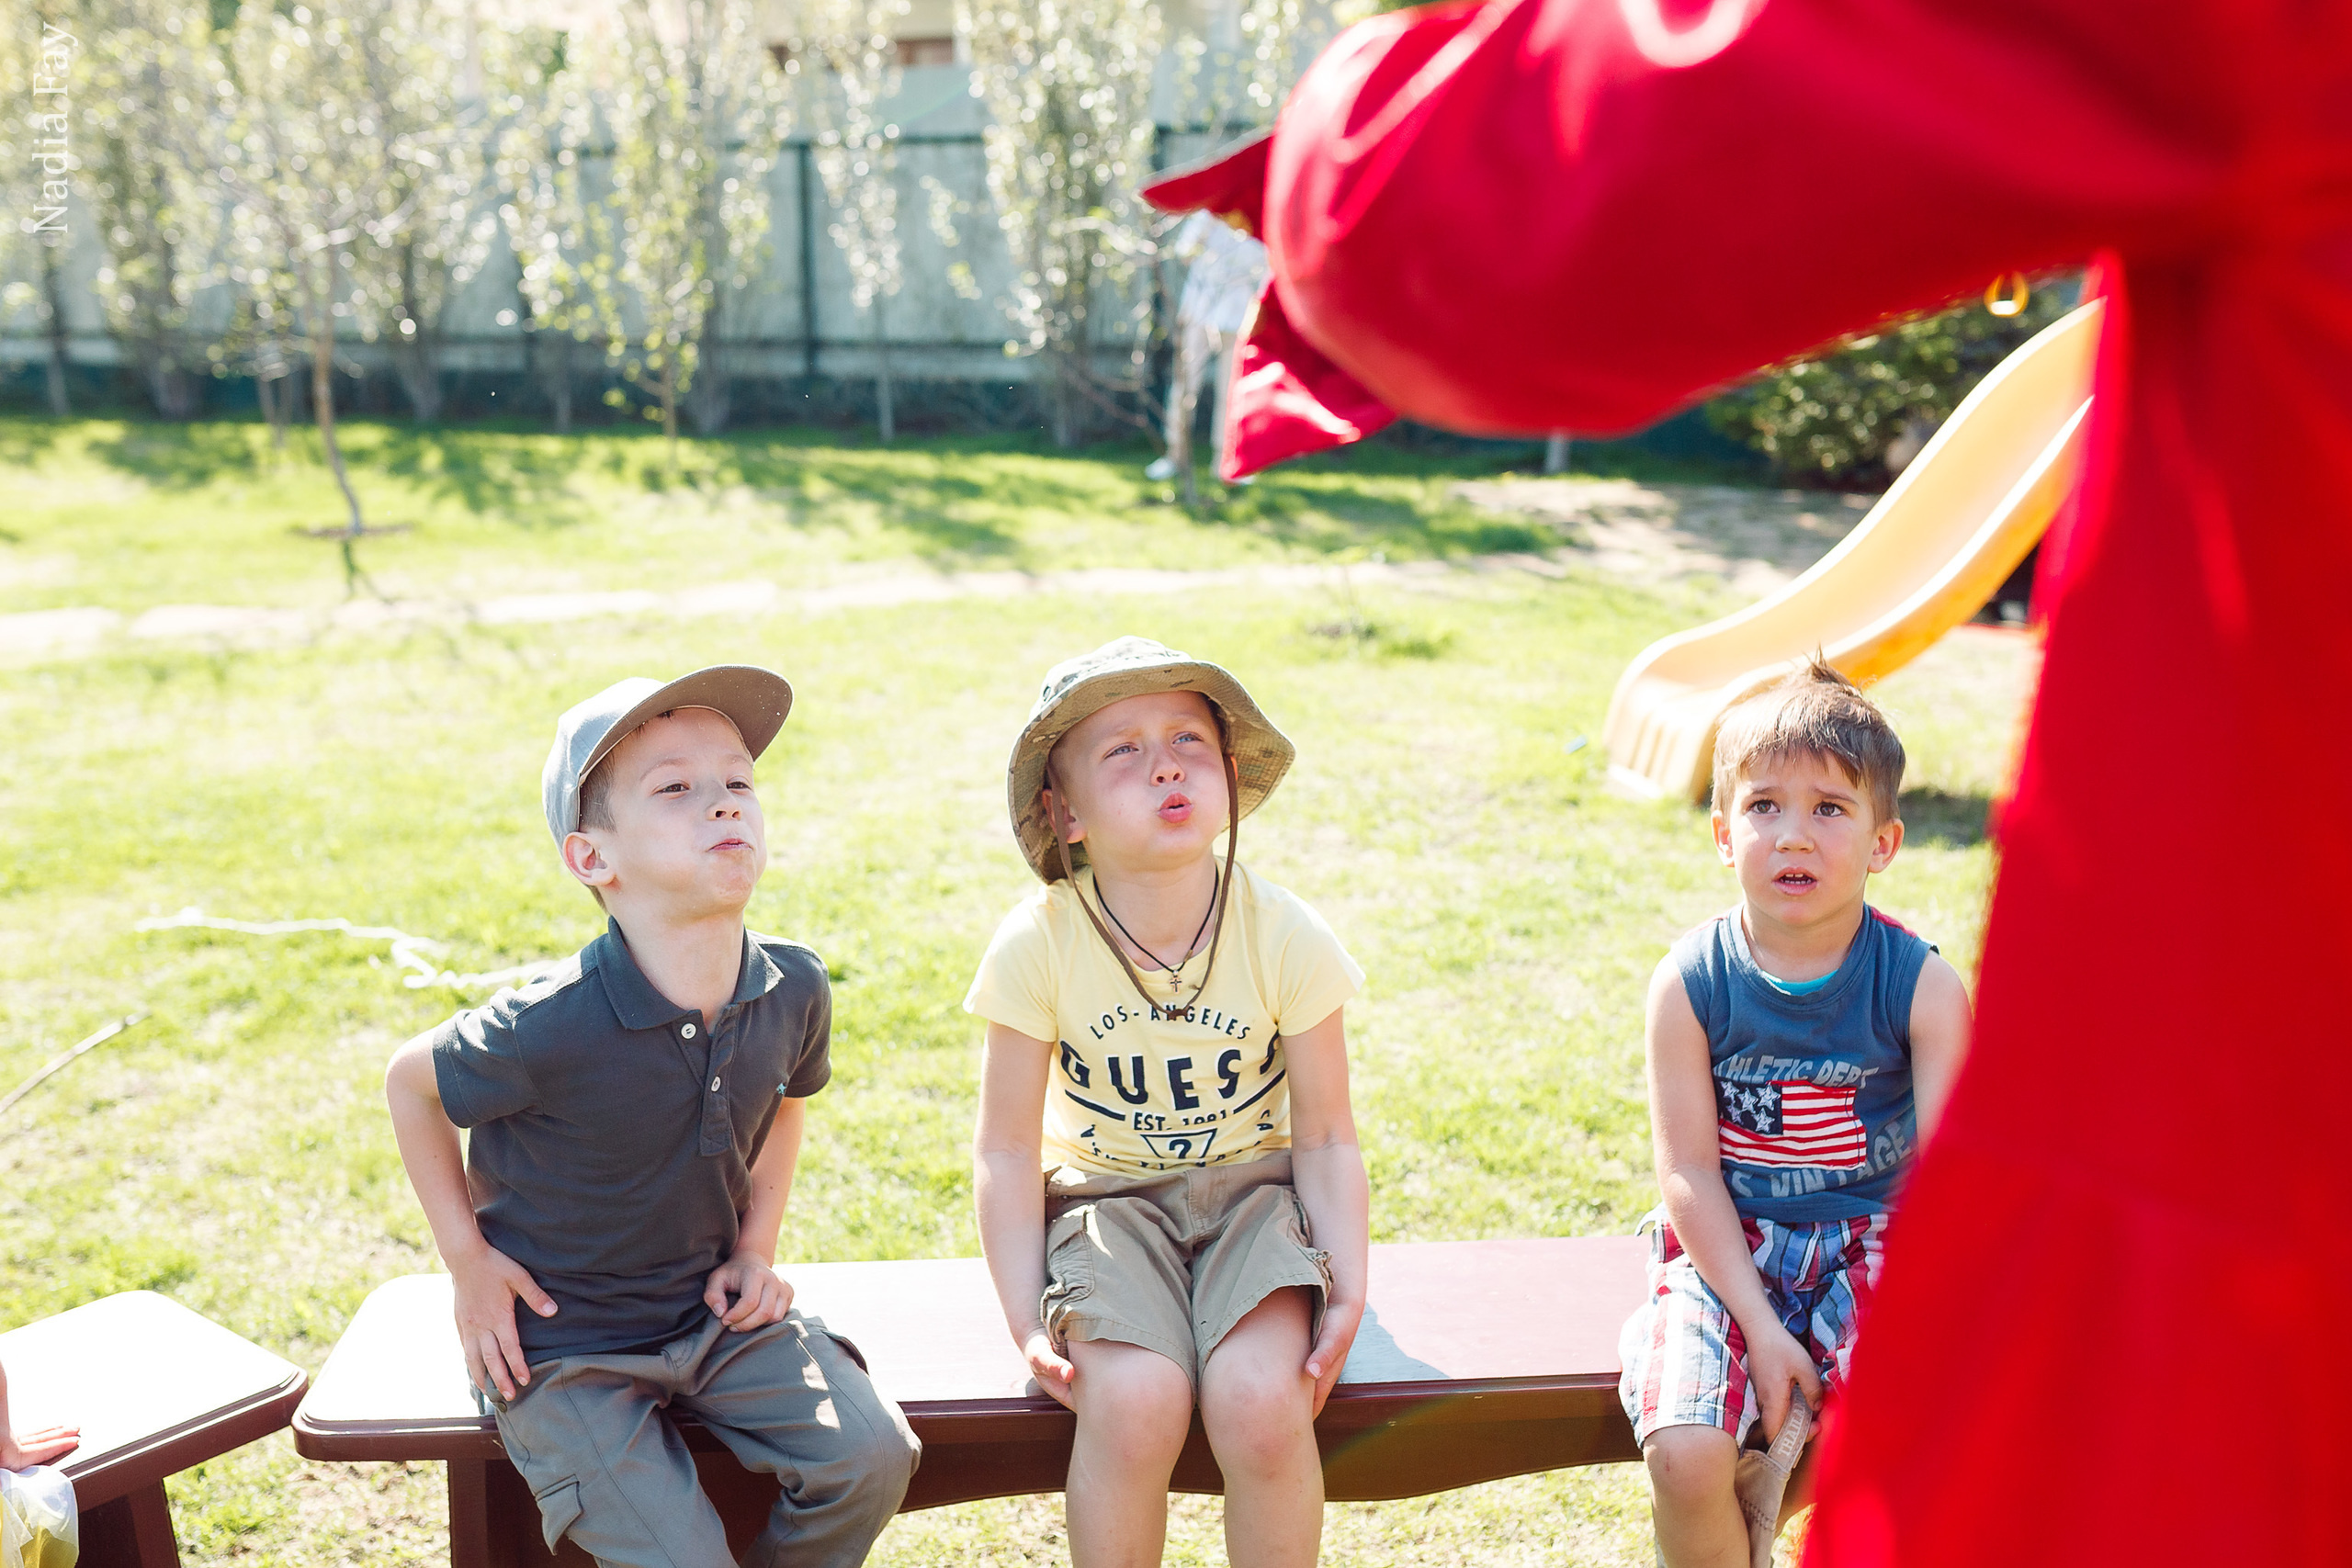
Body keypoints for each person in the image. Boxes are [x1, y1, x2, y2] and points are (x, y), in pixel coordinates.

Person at [384, 666, 918, 1568]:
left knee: (871, 1457)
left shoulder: (793, 987)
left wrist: (754, 1251)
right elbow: (411, 1084)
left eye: (738, 781)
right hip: (560, 1349)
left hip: (711, 1317)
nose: (722, 804)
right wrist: (468, 1262)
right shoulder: (548, 1025)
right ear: (594, 857)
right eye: (675, 788)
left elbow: (788, 1102)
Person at [967, 636, 1367, 1568]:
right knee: (1135, 1401)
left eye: (1188, 739)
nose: (1164, 765)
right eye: (1122, 751)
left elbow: (1327, 1134)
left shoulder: (1286, 933)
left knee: (1262, 1402)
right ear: (1064, 814)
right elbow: (1006, 1151)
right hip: (1105, 1207)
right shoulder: (1038, 945)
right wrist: (1023, 1315)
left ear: (1228, 776)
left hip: (1254, 1199)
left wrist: (1347, 1285)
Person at [1619, 660, 1969, 1568]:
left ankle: (1760, 1513)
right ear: (1721, 835)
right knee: (1686, 1452)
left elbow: (1949, 1189)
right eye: (1764, 806)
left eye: (1828, 809)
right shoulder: (1688, 983)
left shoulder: (1922, 985)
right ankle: (1734, 1513)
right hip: (1726, 1245)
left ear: (1882, 842)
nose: (1793, 837)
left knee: (1912, 1406)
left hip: (1875, 1239)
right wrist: (1764, 1330)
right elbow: (1689, 1175)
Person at [1146, 210, 1269, 489]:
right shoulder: (1208, 213)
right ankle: (1174, 455)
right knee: (1185, 383)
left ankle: (1226, 462)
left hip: (1238, 315)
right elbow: (1184, 252)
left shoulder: (1256, 212)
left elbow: (1266, 264)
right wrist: (1209, 224)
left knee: (1232, 390)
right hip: (1200, 311)